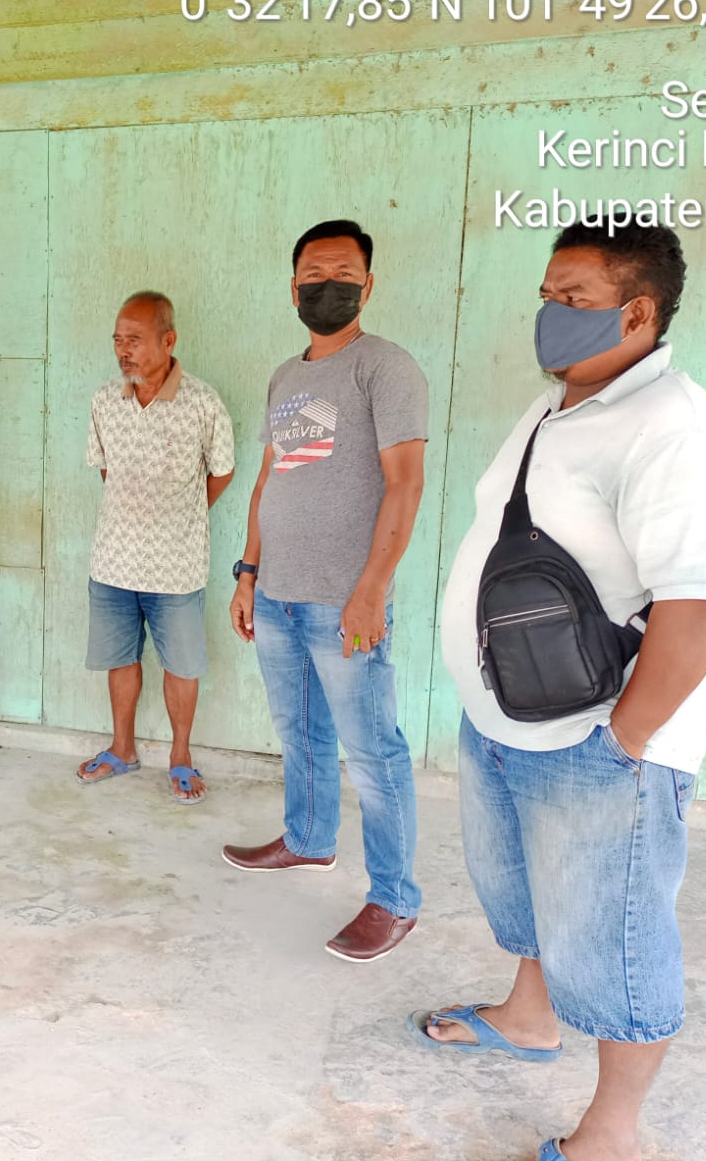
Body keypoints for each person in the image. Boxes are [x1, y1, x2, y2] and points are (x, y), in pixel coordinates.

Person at [418, 218, 706, 1161]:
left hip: (598, 743)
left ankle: (614, 1133)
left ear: (639, 312)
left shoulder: (676, 429)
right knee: (526, 894)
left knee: (616, 938)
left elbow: (703, 603)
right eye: (547, 295)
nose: (549, 314)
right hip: (508, 720)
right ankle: (530, 1018)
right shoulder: (559, 407)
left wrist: (623, 742)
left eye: (572, 298)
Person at [222, 219, 430, 963]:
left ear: (368, 286)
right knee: (300, 733)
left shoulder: (386, 369)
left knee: (373, 754)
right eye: (314, 274)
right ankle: (308, 840)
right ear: (293, 288)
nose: (327, 285)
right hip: (277, 595)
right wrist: (248, 574)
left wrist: (372, 589)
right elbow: (269, 481)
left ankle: (394, 900)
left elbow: (405, 485)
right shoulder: (287, 376)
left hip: (345, 601)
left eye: (343, 273)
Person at [75, 292, 235, 803]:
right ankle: (122, 749)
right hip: (113, 561)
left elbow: (222, 472)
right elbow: (107, 470)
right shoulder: (106, 400)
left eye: (135, 340)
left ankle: (180, 756)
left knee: (181, 665)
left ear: (168, 341)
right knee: (120, 659)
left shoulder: (203, 402)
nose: (123, 350)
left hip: (177, 567)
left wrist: (181, 514)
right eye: (118, 340)